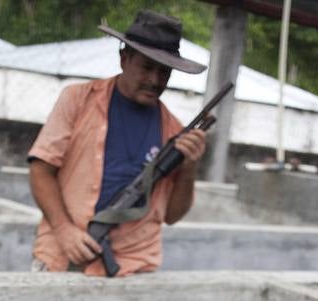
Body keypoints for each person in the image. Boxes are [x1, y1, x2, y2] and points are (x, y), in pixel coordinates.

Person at [28, 9, 208, 276]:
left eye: (164, 72)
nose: (155, 80)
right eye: (147, 67)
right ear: (124, 58)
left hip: (134, 268)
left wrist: (190, 168)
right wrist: (65, 230)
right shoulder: (78, 100)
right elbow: (41, 170)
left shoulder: (175, 132)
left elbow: (171, 215)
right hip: (63, 254)